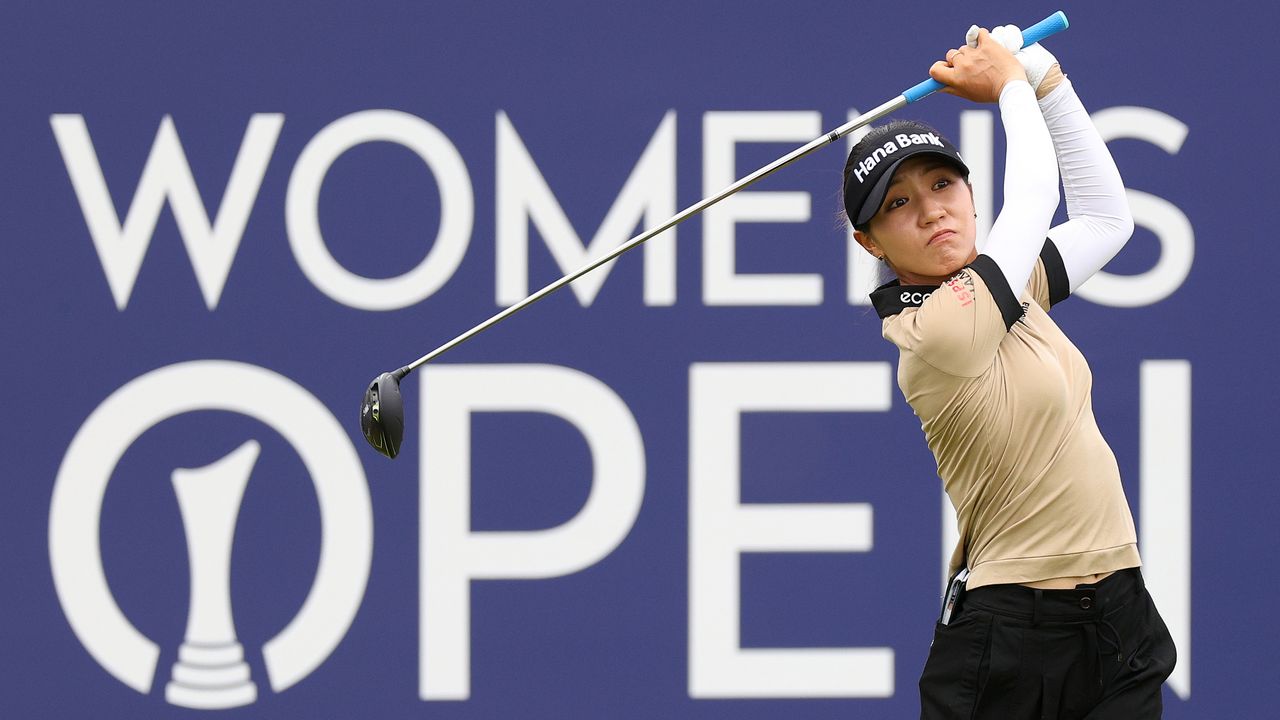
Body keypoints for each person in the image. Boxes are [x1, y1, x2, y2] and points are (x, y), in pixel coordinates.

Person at [840, 26, 1177, 719]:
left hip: (1118, 617)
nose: (932, 208)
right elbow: (1029, 204)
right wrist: (1010, 88)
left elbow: (1107, 219)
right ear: (868, 241)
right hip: (1012, 641)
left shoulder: (1011, 284)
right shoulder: (934, 330)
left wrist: (1046, 77)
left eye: (941, 183)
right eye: (898, 204)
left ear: (967, 189)